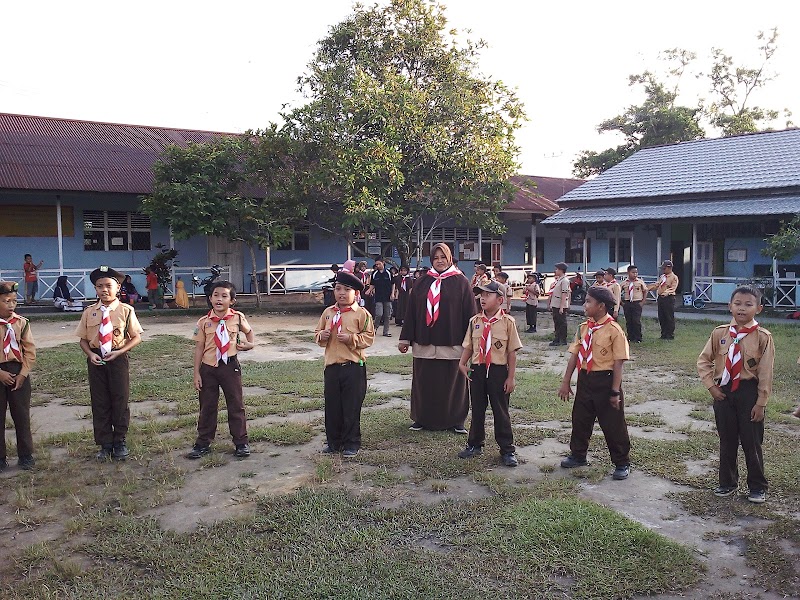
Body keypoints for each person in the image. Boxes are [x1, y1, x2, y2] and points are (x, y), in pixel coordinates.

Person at [697, 286, 774, 504]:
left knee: (752, 441)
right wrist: (711, 386)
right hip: (724, 391)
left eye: (748, 304)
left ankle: (757, 486)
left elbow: (766, 373)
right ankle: (727, 482)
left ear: (758, 308)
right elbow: (703, 361)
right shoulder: (720, 333)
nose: (742, 308)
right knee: (727, 439)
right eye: (737, 304)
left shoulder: (762, 337)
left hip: (749, 391)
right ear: (730, 306)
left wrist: (761, 402)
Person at [399, 243, 476, 433]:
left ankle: (455, 420)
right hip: (424, 341)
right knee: (424, 381)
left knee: (453, 382)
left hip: (452, 340)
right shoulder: (422, 282)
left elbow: (471, 313)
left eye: (443, 257)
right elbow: (411, 312)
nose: (440, 261)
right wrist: (405, 338)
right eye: (436, 258)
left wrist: (473, 341)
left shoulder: (461, 282)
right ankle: (422, 418)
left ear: (449, 258)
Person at [558, 286, 631, 480]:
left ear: (601, 306)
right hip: (585, 378)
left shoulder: (614, 330)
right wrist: (566, 382)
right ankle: (578, 455)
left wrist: (615, 391)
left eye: (589, 301)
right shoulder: (584, 328)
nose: (584, 304)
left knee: (613, 424)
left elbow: (618, 363)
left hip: (605, 380)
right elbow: (574, 355)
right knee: (580, 419)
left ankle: (622, 462)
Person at [75, 267, 143, 460]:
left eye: (108, 286)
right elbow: (83, 340)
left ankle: (120, 440)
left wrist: (120, 351)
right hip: (96, 359)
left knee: (120, 398)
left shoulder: (126, 310)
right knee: (100, 400)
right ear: (95, 289)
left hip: (117, 357)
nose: (104, 290)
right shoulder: (89, 312)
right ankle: (105, 443)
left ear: (118, 287)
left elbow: (136, 337)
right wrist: (90, 354)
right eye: (99, 286)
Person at [186, 281, 255, 460]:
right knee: (207, 406)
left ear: (231, 301)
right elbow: (199, 348)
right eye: (216, 295)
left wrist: (249, 344)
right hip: (208, 368)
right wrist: (196, 373)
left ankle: (241, 442)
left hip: (230, 367)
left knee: (235, 404)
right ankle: (203, 443)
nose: (219, 299)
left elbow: (249, 333)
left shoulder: (238, 318)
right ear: (210, 298)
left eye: (224, 296)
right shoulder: (204, 322)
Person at [457, 281, 522, 467]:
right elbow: (469, 346)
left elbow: (511, 352)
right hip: (477, 370)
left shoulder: (508, 322)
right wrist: (462, 363)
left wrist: (511, 377)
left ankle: (507, 450)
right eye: (481, 295)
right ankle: (474, 444)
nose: (482, 298)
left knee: (501, 411)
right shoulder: (474, 321)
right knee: (477, 409)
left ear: (500, 299)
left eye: (487, 295)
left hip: (498, 371)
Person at [315, 270, 375, 457]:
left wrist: (351, 338)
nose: (341, 293)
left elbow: (369, 338)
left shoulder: (362, 314)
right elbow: (317, 335)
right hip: (332, 367)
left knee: (351, 407)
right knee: (332, 406)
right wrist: (321, 336)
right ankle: (334, 442)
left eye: (346, 289)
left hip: (353, 367)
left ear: (356, 293)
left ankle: (351, 443)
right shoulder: (328, 313)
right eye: (338, 288)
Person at [0, 281, 36, 471]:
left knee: (21, 415)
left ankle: (26, 454)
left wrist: (22, 374)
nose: (12, 305)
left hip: (17, 370)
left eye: (14, 301)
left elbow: (29, 351)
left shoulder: (21, 323)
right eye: (7, 301)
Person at [647, 260, 679, 339]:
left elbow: (672, 288)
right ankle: (663, 333)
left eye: (664, 268)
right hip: (661, 298)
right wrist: (647, 288)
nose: (663, 270)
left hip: (668, 298)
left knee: (669, 316)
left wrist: (665, 293)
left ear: (669, 268)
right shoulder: (662, 277)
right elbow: (657, 285)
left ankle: (669, 334)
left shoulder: (674, 277)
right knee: (662, 316)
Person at [621, 265, 647, 343]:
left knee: (636, 320)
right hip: (628, 303)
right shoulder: (624, 283)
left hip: (637, 302)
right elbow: (617, 291)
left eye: (636, 272)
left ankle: (638, 337)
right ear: (628, 272)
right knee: (629, 320)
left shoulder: (640, 282)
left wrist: (642, 302)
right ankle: (630, 337)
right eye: (633, 272)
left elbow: (645, 291)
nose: (635, 274)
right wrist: (621, 303)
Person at [548, 262, 572, 346]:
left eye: (557, 269)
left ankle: (563, 339)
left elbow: (564, 294)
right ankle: (557, 338)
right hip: (556, 303)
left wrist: (562, 307)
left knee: (562, 322)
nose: (556, 270)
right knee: (556, 322)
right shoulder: (559, 280)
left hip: (560, 303)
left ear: (561, 270)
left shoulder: (565, 280)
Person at [369, 258, 394, 337]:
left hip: (388, 296)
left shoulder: (388, 273)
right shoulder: (375, 273)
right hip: (378, 297)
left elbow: (393, 284)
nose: (378, 266)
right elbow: (372, 284)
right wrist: (369, 290)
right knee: (379, 314)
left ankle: (386, 332)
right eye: (376, 264)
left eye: (379, 264)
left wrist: (392, 294)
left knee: (387, 315)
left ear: (383, 263)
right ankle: (375, 328)